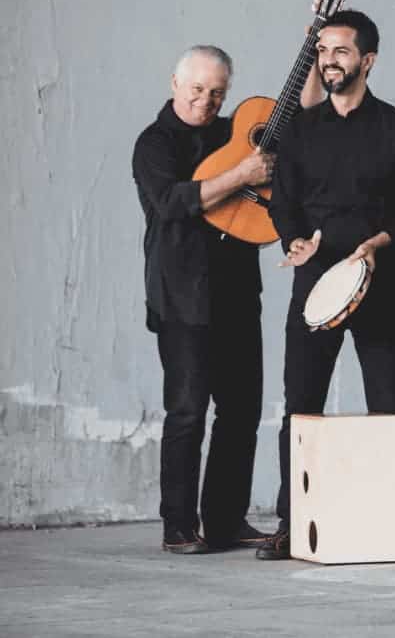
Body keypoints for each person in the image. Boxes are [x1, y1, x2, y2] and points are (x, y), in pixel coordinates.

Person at [256, 9, 395, 560]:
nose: (328, 61)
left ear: (367, 61)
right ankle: (292, 523)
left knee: (389, 405)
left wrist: (380, 242)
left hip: (379, 280)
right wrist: (293, 241)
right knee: (300, 406)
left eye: (341, 51)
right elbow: (282, 201)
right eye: (323, 51)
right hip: (314, 279)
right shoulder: (301, 130)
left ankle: (390, 524)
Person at [132, 45, 274, 554]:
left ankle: (226, 519)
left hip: (238, 293)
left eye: (217, 92)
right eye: (197, 89)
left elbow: (289, 128)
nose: (206, 101)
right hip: (182, 296)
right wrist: (240, 177)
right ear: (175, 83)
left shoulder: (233, 133)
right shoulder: (153, 144)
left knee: (241, 412)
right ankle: (177, 525)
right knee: (188, 410)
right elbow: (172, 203)